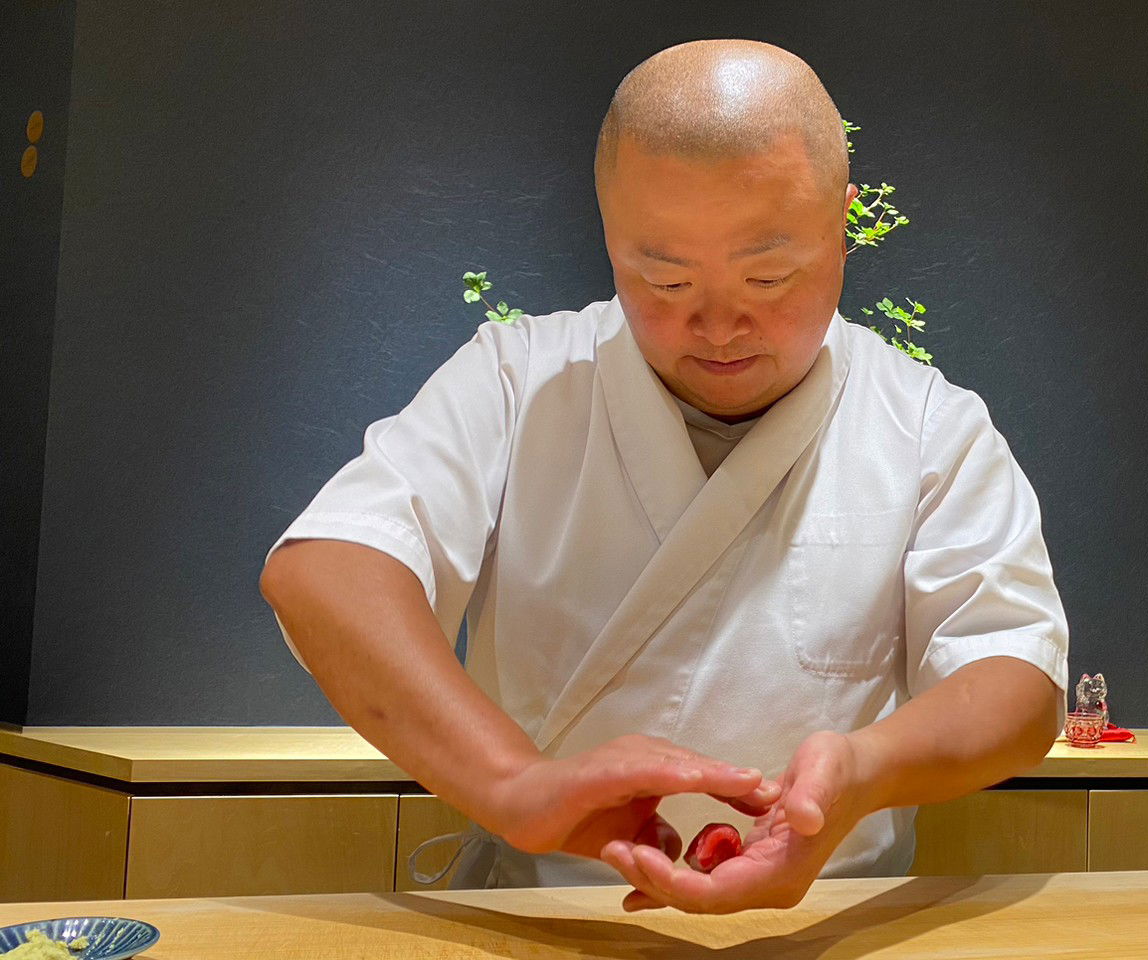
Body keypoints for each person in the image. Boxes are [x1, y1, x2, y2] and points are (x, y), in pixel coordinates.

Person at [258, 37, 1068, 915]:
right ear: (608, 235)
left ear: (842, 223)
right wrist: (515, 785)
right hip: (538, 917)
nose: (719, 326)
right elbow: (326, 569)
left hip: (825, 917)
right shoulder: (518, 378)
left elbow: (1015, 677)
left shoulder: (927, 424)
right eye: (663, 278)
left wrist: (861, 773)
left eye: (769, 275)